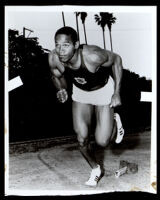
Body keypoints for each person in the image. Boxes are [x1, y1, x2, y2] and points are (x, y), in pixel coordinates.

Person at [48, 26, 124, 187]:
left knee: (103, 141)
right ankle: (96, 169)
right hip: (81, 93)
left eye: (66, 45)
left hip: (103, 91)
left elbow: (116, 60)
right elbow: (56, 76)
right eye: (57, 45)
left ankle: (115, 122)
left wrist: (116, 92)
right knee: (81, 139)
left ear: (76, 45)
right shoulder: (54, 58)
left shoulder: (93, 55)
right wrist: (61, 89)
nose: (61, 50)